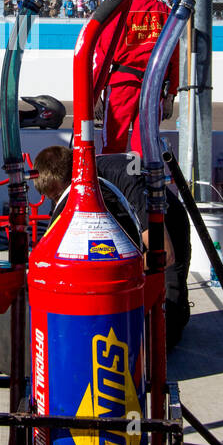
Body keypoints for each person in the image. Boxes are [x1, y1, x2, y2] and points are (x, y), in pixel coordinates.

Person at [32, 143, 192, 348]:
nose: (57, 202)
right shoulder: (65, 186)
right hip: (125, 224)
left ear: (74, 178)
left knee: (164, 337)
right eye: (53, 199)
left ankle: (179, 312)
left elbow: (164, 254)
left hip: (166, 224)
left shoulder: (126, 177)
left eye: (57, 196)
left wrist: (110, 273)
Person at [92, 0, 179, 157]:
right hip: (154, 87)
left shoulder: (118, 11)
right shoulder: (165, 12)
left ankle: (115, 187)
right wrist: (170, 96)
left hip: (123, 85)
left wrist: (95, 92)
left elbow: (103, 55)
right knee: (146, 147)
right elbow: (174, 59)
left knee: (113, 145)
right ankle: (145, 187)